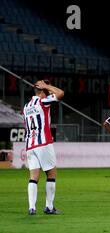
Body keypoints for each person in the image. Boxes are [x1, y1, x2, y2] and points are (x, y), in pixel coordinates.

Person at [23, 80, 64, 215]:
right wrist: (47, 86)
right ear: (42, 91)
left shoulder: (26, 106)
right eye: (47, 91)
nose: (49, 92)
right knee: (51, 173)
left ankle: (31, 207)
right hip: (43, 143)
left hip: (30, 145)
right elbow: (60, 94)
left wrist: (45, 87)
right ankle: (49, 207)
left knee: (33, 176)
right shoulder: (42, 102)